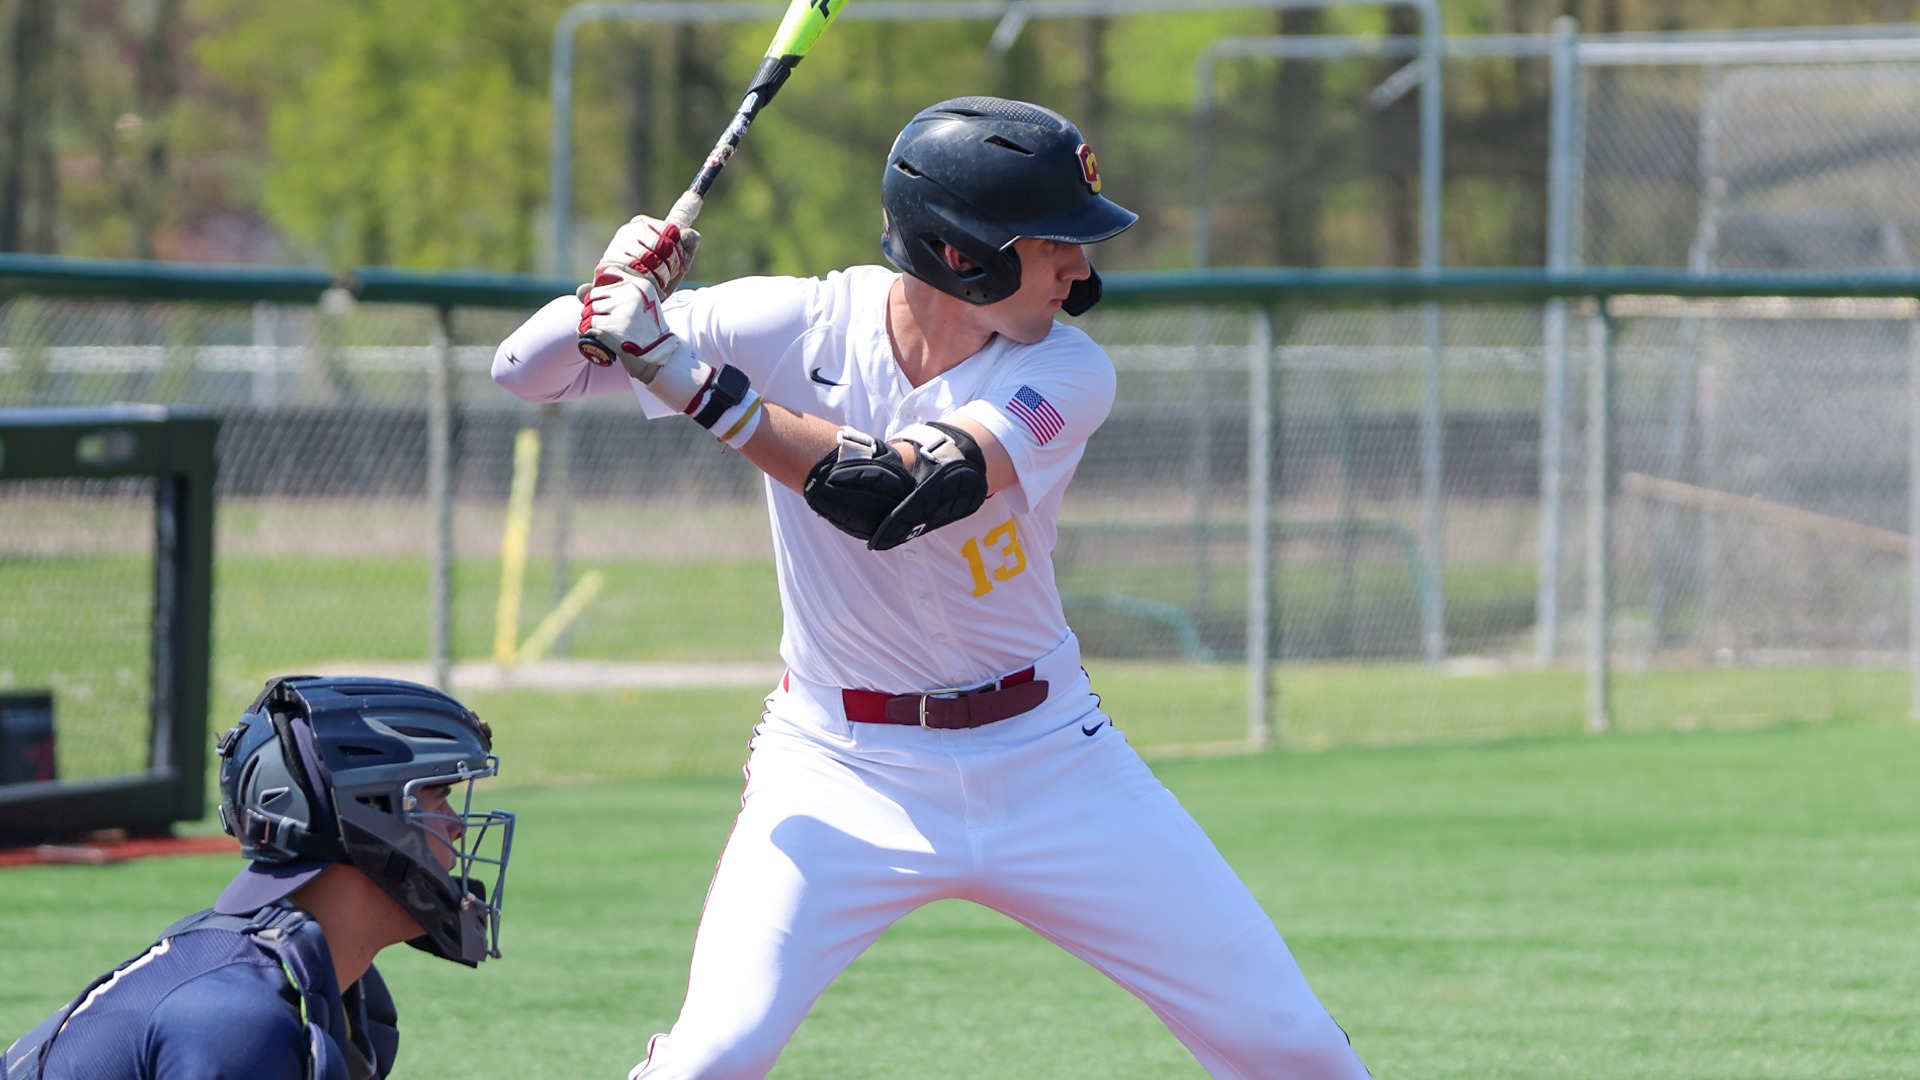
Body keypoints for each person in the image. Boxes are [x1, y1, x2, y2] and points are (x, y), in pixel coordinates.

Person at [493, 96, 1368, 1079]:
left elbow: (898, 493)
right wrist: (603, 298)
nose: (1082, 268)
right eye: (1056, 245)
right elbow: (523, 372)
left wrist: (698, 387)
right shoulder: (795, 319)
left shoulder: (1069, 371)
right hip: (838, 764)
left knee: (1297, 1051)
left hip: (1050, 761)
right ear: (963, 255)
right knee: (711, 1060)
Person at [3, 675, 514, 1079]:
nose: (457, 830)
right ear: (370, 817)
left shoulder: (318, 981)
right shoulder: (237, 1020)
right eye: (437, 799)